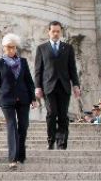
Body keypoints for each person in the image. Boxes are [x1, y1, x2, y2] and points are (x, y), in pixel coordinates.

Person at [0, 33, 36, 169]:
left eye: (13, 47)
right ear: (4, 48)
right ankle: (13, 158)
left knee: (24, 126)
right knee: (12, 126)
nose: (11, 50)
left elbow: (29, 81)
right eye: (9, 47)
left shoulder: (23, 62)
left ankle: (20, 153)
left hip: (23, 98)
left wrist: (33, 98)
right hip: (6, 99)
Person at [32, 21, 81, 149]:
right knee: (52, 113)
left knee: (63, 115)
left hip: (64, 86)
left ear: (61, 32)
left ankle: (62, 142)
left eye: (58, 31)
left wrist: (76, 85)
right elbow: (38, 69)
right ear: (49, 32)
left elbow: (72, 69)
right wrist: (37, 87)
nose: (55, 34)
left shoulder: (68, 48)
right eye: (53, 31)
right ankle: (51, 139)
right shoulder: (42, 48)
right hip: (48, 87)